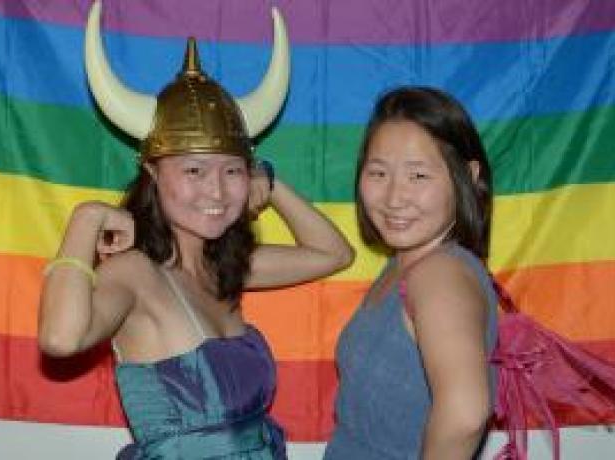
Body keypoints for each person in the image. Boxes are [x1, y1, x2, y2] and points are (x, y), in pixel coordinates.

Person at [39, 2, 354, 459]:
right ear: (151, 171)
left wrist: (270, 177)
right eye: (193, 170)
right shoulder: (134, 273)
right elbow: (60, 339)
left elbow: (333, 254)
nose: (217, 191)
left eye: (232, 172)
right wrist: (87, 219)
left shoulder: (222, 268)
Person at [324, 86, 498, 459]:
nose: (394, 197)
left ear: (467, 176)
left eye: (418, 176)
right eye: (378, 173)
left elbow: (466, 413)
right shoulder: (405, 265)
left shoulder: (440, 273)